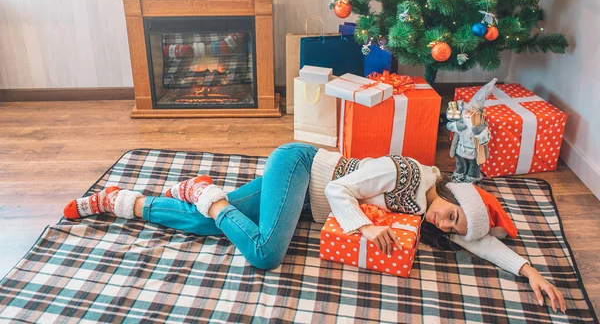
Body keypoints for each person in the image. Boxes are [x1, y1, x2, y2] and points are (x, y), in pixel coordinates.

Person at [63, 143, 566, 314]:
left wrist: (529, 272)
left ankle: (121, 203)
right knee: (262, 251)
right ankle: (209, 195)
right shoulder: (407, 172)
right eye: (451, 215)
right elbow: (339, 191)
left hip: (301, 200)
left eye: (450, 230)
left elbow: (478, 241)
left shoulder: (429, 212)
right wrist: (365, 231)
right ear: (453, 195)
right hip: (304, 171)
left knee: (211, 226)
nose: (443, 224)